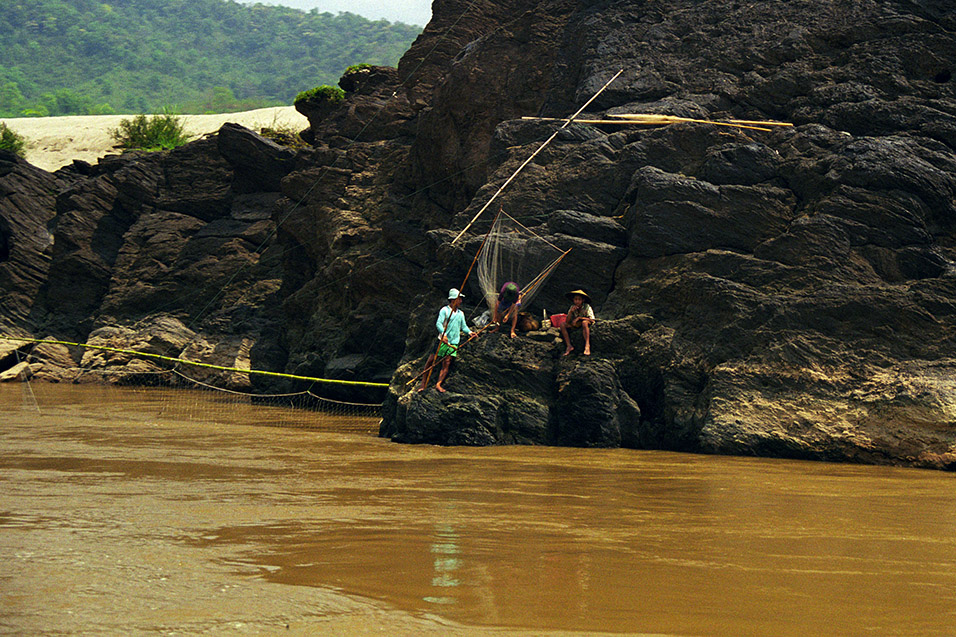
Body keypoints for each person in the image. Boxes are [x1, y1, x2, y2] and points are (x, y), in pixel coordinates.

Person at [419, 288, 475, 393]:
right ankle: (423, 383)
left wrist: (469, 332)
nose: (461, 301)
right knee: (431, 361)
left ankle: (438, 384)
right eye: (459, 299)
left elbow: (464, 326)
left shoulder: (460, 313)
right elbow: (438, 323)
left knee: (447, 362)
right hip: (442, 340)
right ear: (453, 300)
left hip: (453, 343)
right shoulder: (445, 310)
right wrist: (443, 334)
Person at [560, 289, 595, 356]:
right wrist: (570, 312)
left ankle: (587, 345)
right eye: (575, 299)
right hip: (576, 325)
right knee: (562, 324)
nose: (577, 301)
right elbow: (567, 321)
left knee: (584, 323)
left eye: (579, 299)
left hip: (585, 324)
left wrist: (579, 318)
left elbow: (592, 319)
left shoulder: (587, 307)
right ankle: (569, 346)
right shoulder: (572, 307)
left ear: (582, 300)